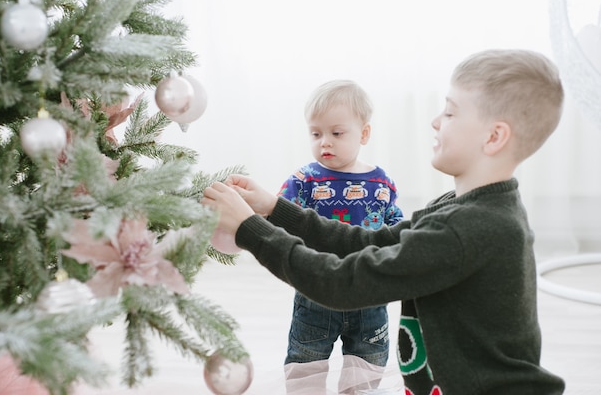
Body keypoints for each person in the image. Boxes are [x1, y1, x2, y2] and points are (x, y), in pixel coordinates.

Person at [202, 49, 566, 394]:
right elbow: (366, 243)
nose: (436, 120)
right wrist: (273, 208)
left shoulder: (469, 228)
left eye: (451, 113)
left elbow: (341, 284)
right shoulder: (462, 207)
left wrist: (250, 228)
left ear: (494, 136)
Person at [277, 80, 404, 392]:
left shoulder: (380, 182)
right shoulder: (304, 180)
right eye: (316, 133)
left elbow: (395, 228)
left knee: (367, 364)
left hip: (368, 293)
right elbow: (277, 216)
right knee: (305, 364)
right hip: (315, 291)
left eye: (336, 133)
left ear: (363, 134)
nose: (325, 143)